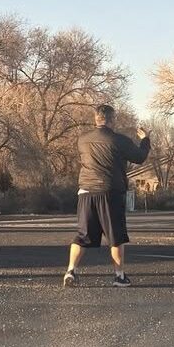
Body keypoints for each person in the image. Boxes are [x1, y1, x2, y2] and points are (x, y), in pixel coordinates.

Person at [64, 104, 149, 288]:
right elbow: (140, 157)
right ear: (112, 120)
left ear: (96, 119)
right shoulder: (120, 141)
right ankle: (119, 276)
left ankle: (71, 271)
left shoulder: (82, 140)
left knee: (82, 235)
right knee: (116, 236)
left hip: (86, 192)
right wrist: (145, 140)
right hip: (110, 193)